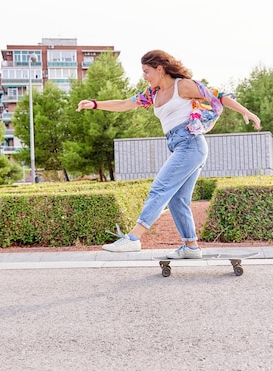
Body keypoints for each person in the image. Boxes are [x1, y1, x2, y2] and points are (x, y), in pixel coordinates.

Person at [77, 50, 261, 259]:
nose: (145, 76)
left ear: (160, 68)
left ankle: (134, 238)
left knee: (160, 187)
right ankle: (191, 246)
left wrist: (245, 111)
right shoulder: (152, 93)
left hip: (191, 144)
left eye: (147, 71)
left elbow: (218, 95)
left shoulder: (182, 85)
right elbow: (124, 104)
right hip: (180, 146)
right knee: (177, 200)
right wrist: (94, 104)